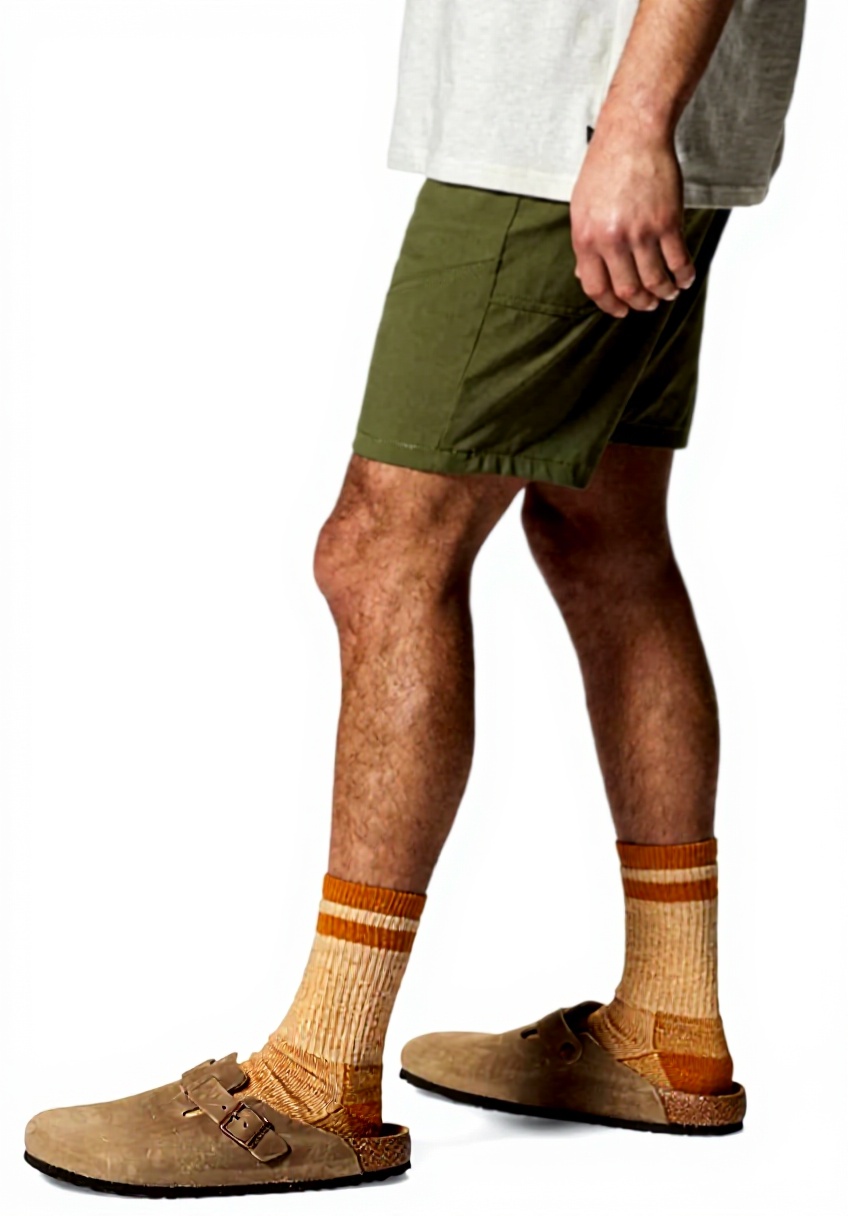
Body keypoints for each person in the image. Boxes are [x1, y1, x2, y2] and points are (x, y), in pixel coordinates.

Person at [23, 0, 806, 1196]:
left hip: (572, 125)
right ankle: (668, 1022)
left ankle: (317, 1079)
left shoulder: (596, 121)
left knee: (383, 549)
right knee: (600, 528)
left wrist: (634, 116)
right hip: (617, 116)